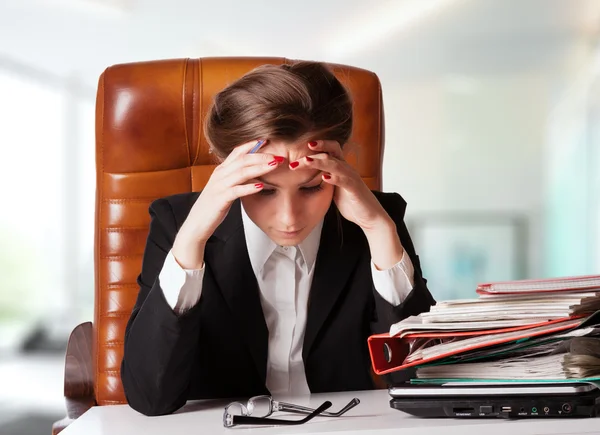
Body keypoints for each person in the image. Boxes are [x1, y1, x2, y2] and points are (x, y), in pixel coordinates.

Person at [120, 61, 436, 416]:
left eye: (312, 187)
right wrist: (192, 240)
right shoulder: (177, 222)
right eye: (265, 191)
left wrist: (379, 230)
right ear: (228, 170)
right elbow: (150, 397)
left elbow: (421, 378)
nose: (289, 218)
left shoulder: (378, 219)